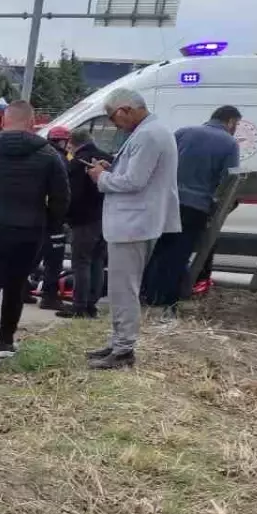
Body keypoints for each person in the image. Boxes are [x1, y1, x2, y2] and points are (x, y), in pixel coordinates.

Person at [0, 101, 69, 366]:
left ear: (4, 121)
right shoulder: (48, 154)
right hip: (29, 232)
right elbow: (62, 196)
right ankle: (6, 340)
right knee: (17, 287)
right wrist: (50, 225)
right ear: (31, 123)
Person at [86, 88, 181, 369]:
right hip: (135, 222)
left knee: (123, 289)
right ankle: (118, 343)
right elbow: (133, 174)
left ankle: (124, 349)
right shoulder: (148, 133)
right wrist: (110, 168)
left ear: (126, 109)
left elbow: (134, 182)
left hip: (134, 224)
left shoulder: (150, 135)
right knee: (119, 288)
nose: (115, 124)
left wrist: (101, 178)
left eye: (114, 118)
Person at [141, 105, 242, 309]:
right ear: (230, 122)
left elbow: (161, 163)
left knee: (159, 250)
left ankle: (145, 293)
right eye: (236, 125)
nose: (236, 129)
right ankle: (164, 301)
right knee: (178, 255)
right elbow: (229, 180)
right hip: (195, 208)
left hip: (167, 201)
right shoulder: (230, 143)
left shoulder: (183, 132)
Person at [55, 127, 110, 319]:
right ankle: (92, 304)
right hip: (105, 217)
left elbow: (74, 195)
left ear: (72, 143)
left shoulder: (78, 162)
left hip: (84, 219)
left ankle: (79, 306)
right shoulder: (106, 157)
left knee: (81, 263)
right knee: (97, 261)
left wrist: (66, 216)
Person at [34, 126, 74, 310]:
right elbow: (61, 192)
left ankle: (22, 288)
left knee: (35, 255)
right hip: (53, 218)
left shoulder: (40, 154)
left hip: (36, 215)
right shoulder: (59, 160)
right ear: (63, 141)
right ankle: (49, 296)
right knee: (54, 260)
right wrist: (60, 217)